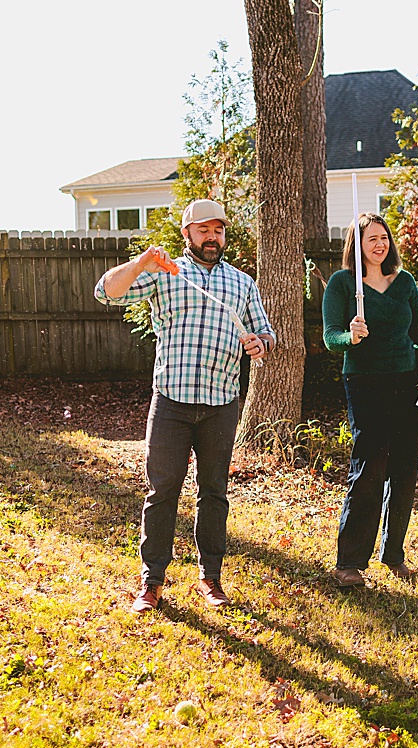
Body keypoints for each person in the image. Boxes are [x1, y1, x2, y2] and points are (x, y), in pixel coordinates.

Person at [96, 199, 275, 614]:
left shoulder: (242, 283)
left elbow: (266, 334)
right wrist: (141, 263)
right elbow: (105, 292)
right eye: (203, 230)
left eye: (219, 230)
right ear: (187, 234)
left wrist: (259, 343)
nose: (212, 237)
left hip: (220, 404)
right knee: (162, 493)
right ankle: (151, 581)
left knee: (214, 493)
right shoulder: (166, 275)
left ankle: (210, 578)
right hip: (171, 404)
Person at [322, 213, 418, 587]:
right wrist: (349, 337)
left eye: (383, 237)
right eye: (370, 238)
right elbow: (329, 336)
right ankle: (349, 562)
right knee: (369, 467)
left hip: (407, 383)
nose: (379, 244)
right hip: (366, 383)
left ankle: (393, 552)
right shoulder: (342, 284)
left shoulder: (404, 283)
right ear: (356, 245)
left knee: (403, 471)